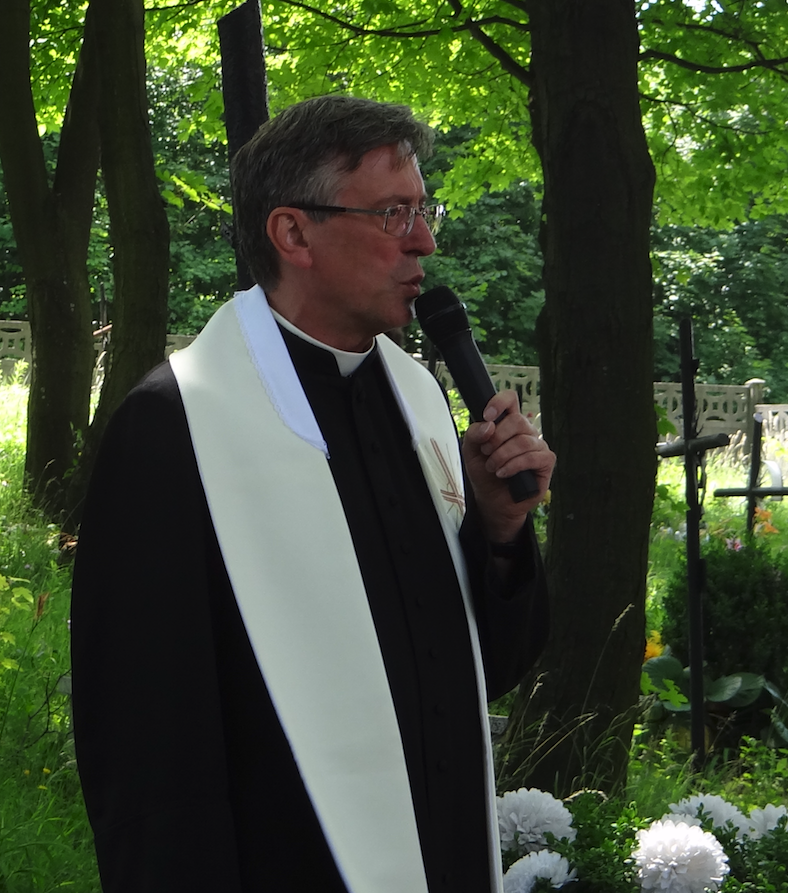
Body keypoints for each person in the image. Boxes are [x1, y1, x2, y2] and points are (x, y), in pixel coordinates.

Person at [69, 94, 555, 893]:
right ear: (293, 233)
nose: (425, 241)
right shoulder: (176, 423)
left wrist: (500, 533)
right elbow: (146, 753)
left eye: (422, 209)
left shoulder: (422, 402)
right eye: (394, 214)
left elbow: (473, 674)